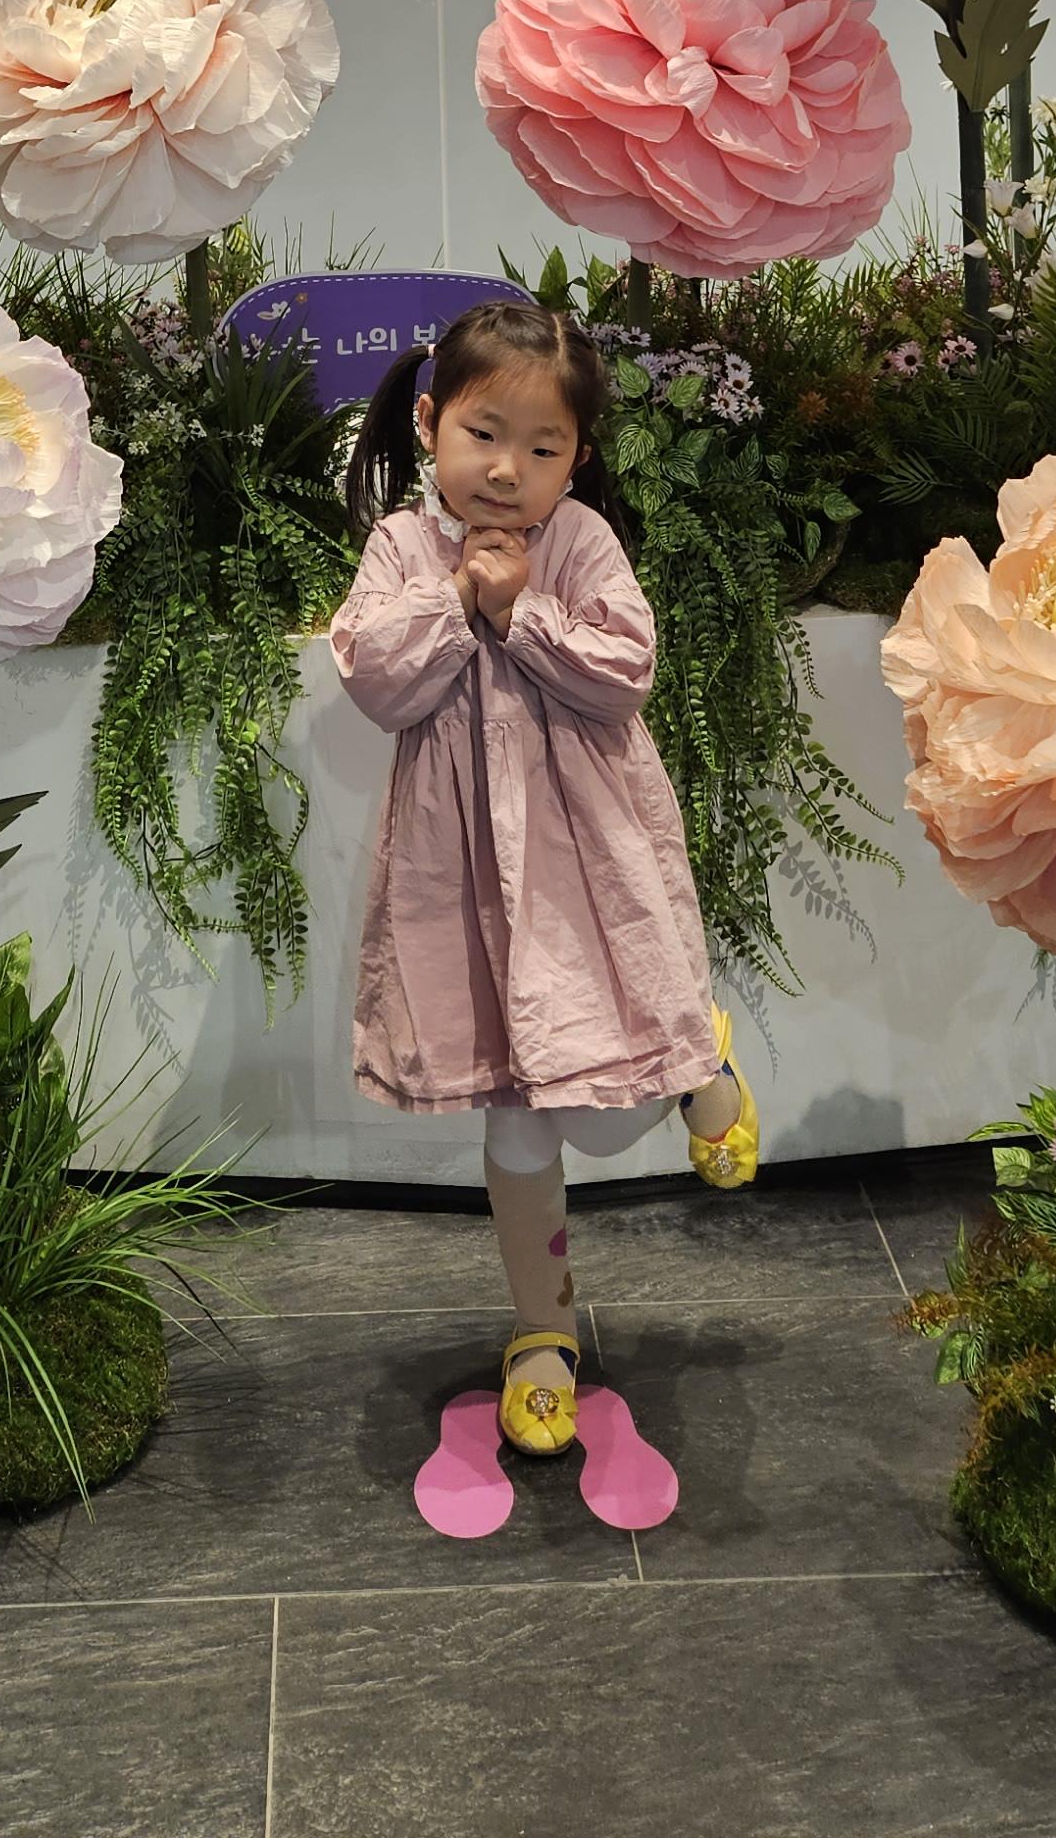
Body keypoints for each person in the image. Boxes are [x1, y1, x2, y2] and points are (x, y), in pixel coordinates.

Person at [329, 296, 755, 1459]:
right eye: (484, 434)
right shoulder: (402, 549)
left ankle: (696, 1060)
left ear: (577, 456)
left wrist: (522, 610)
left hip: (585, 865)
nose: (508, 469)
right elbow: (374, 678)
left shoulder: (581, 543)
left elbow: (627, 670)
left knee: (606, 1118)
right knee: (520, 1121)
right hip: (466, 882)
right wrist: (455, 599)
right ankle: (542, 1334)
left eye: (543, 446)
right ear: (430, 423)